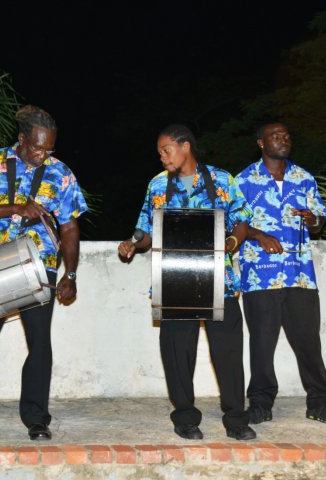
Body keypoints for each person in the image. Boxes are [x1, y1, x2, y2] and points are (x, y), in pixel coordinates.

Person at [0, 105, 88, 441]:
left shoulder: (61, 173)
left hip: (40, 266)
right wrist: (15, 208)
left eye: (49, 148)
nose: (43, 155)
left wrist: (70, 275)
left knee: (39, 343)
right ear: (21, 139)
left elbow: (69, 228)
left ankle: (36, 419)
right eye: (37, 147)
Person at [118, 124, 256, 441]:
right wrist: (132, 244)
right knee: (177, 352)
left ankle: (236, 419)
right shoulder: (157, 185)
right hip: (174, 278)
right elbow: (145, 231)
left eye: (166, 150)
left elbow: (241, 220)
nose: (162, 157)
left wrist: (230, 244)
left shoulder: (222, 179)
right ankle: (185, 418)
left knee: (228, 352)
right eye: (160, 153)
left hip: (219, 278)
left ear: (185, 146)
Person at [235, 122, 326, 425]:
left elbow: (318, 223)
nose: (283, 140)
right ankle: (260, 403)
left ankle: (320, 403)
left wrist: (312, 220)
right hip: (260, 275)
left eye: (286, 136)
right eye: (275, 136)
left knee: (309, 342)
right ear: (261, 142)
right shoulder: (244, 180)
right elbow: (235, 223)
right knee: (261, 344)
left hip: (300, 275)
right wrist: (258, 235)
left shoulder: (304, 178)